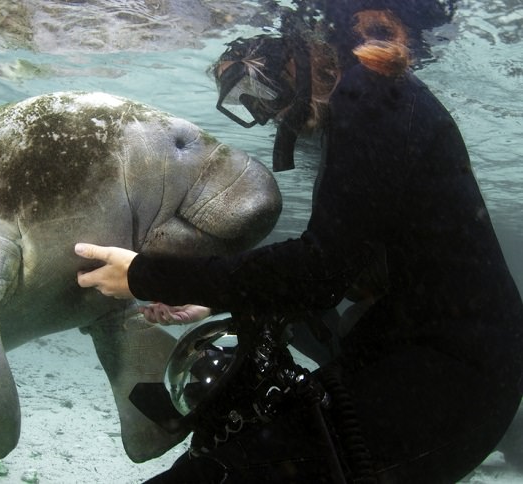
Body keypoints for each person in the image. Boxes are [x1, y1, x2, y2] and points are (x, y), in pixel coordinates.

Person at [75, 3, 523, 483]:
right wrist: (206, 302)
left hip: (454, 377)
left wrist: (144, 275)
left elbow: (319, 272)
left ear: (293, 53)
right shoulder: (370, 101)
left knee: (217, 472)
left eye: (255, 87)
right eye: (245, 103)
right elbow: (344, 264)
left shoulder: (369, 90)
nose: (265, 111)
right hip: (439, 361)